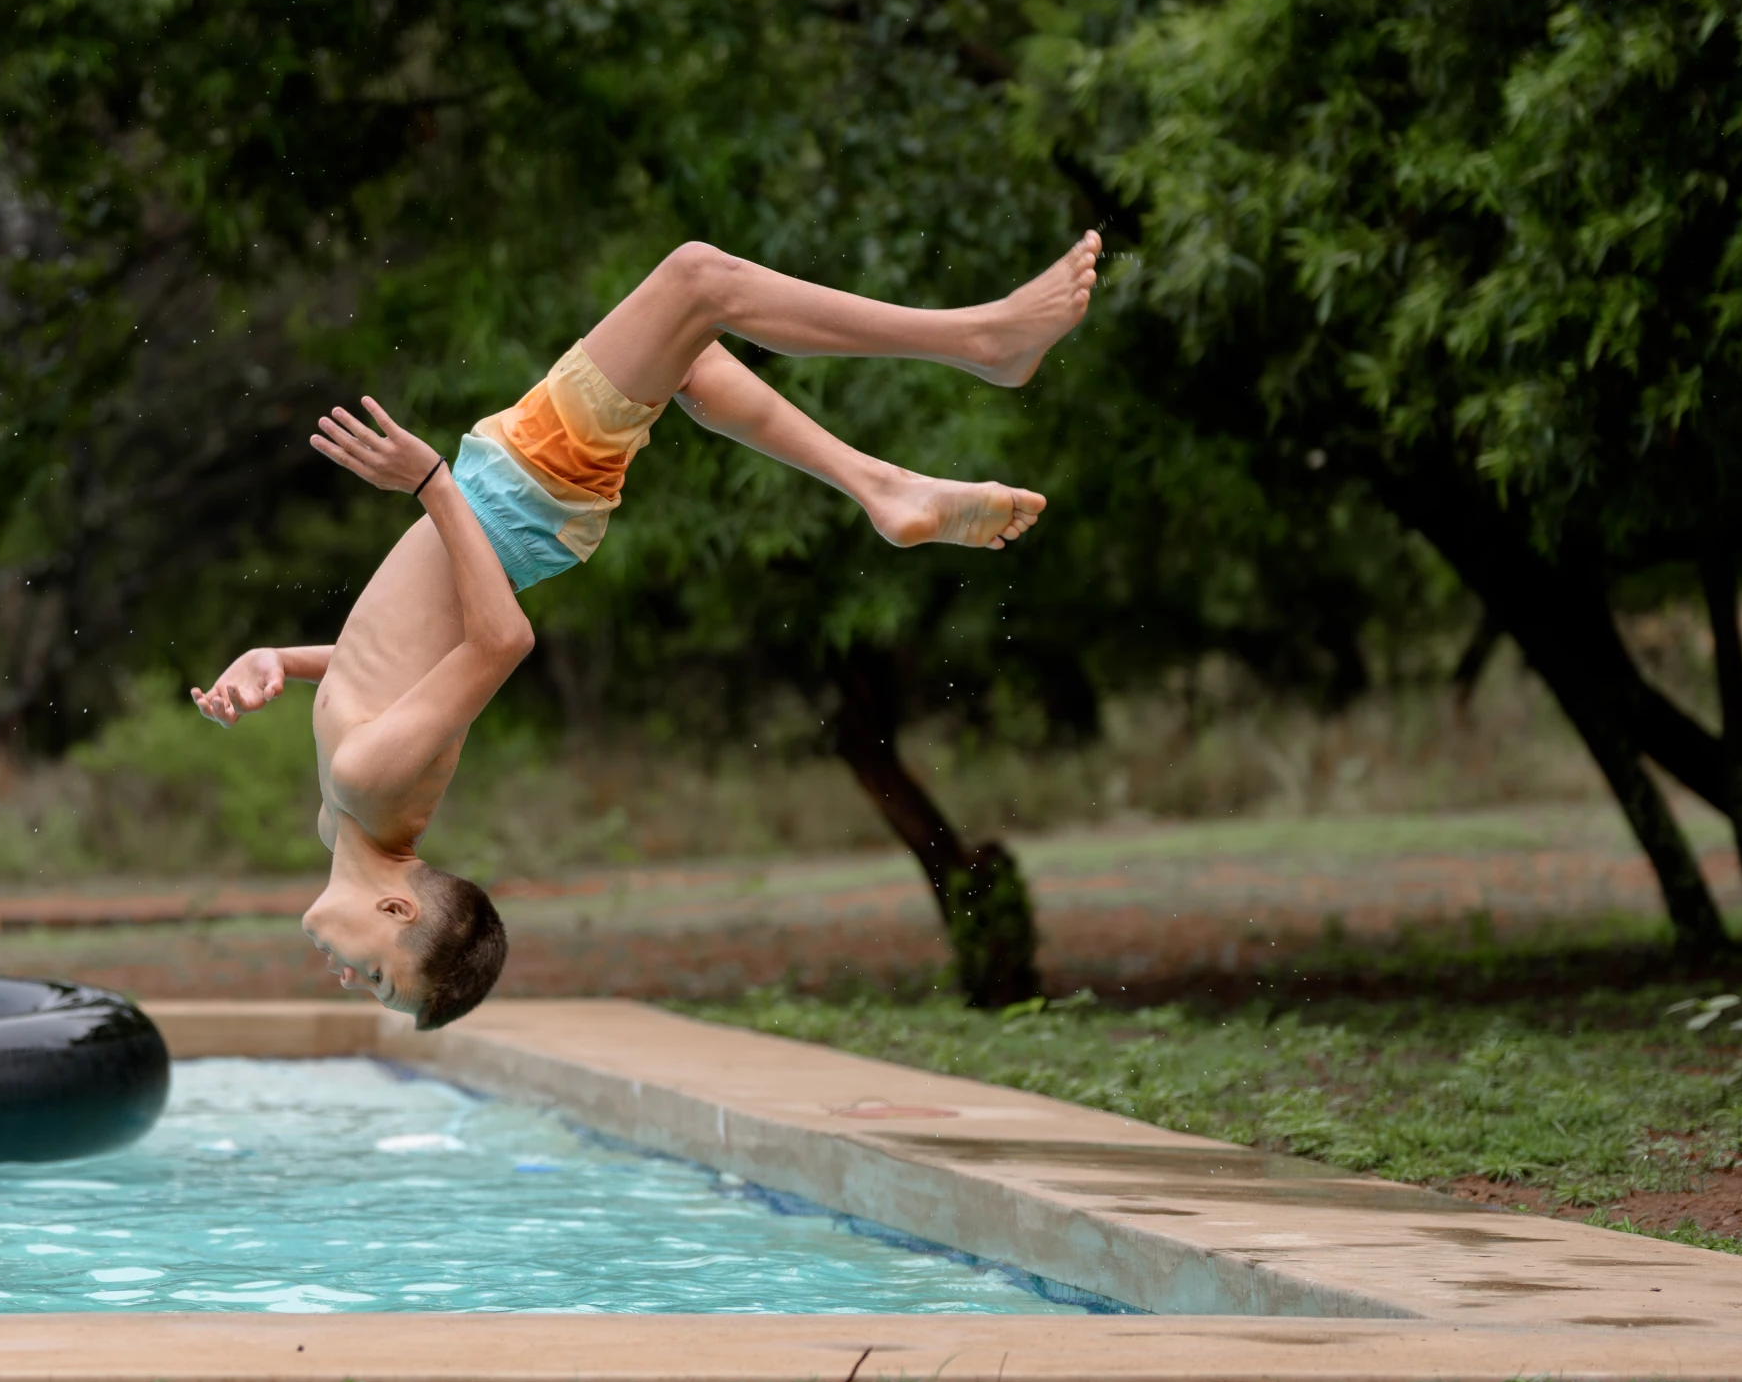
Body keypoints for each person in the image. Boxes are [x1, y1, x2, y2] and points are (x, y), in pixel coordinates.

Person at [188, 231, 1102, 1030]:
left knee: (696, 358)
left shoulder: (344, 817)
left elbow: (393, 661)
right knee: (699, 279)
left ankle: (882, 487)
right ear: (395, 910)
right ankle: (982, 343)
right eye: (380, 980)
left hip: (525, 504)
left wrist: (281, 658)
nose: (348, 980)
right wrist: (430, 481)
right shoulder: (365, 787)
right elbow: (500, 643)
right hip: (521, 493)